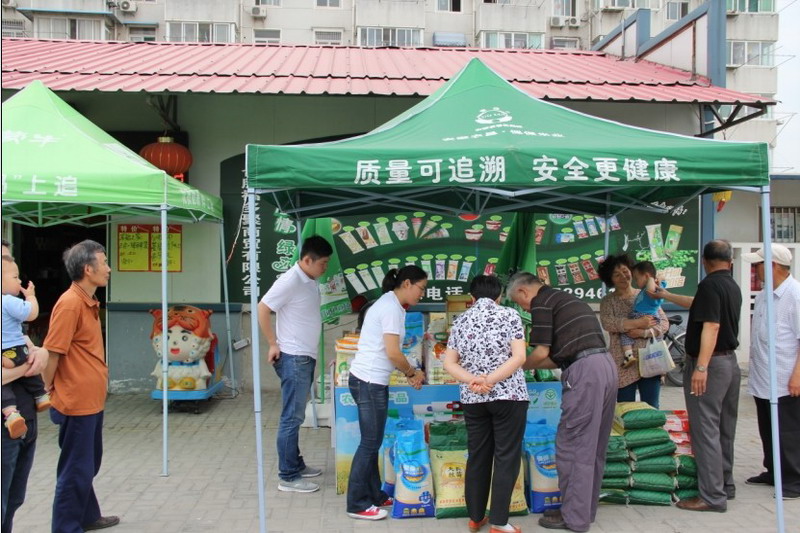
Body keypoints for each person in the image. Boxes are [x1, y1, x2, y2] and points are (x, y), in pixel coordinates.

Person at [507, 272, 616, 532]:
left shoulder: (541, 302)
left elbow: (540, 352)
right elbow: (555, 358)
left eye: (521, 304)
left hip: (585, 373)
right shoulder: (564, 299)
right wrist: (524, 367)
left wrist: (515, 368)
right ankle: (582, 511)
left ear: (523, 292)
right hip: (604, 366)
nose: (526, 310)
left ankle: (574, 518)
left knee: (573, 446)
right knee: (592, 447)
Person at [654, 239, 741, 512]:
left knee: (705, 431)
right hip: (729, 363)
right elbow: (696, 304)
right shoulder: (731, 285)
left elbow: (711, 326)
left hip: (710, 366)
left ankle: (712, 496)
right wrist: (666, 296)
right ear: (730, 262)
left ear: (704, 261)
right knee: (724, 428)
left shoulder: (709, 285)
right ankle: (725, 485)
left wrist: (701, 367)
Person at [42, 239, 119, 532]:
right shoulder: (70, 303)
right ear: (88, 269)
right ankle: (65, 526)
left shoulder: (87, 301)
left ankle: (87, 515)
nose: (108, 268)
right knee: (76, 468)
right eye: (104, 262)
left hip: (90, 399)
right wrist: (46, 390)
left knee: (88, 462)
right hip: (76, 401)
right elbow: (52, 352)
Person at [443, 275, 528, 533]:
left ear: (472, 297)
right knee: (506, 456)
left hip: (474, 398)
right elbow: (519, 357)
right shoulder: (510, 315)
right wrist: (490, 380)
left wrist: (474, 381)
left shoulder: (460, 320)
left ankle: (475, 517)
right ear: (499, 296)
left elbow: (449, 363)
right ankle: (499, 522)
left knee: (478, 455)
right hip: (508, 396)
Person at [346, 265, 426, 521]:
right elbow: (392, 353)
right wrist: (411, 373)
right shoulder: (390, 308)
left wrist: (411, 371)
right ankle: (357, 504)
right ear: (407, 284)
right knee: (369, 443)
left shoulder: (393, 305)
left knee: (373, 441)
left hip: (371, 381)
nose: (422, 294)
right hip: (369, 382)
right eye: (421, 288)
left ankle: (375, 495)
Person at [257, 235, 333, 493]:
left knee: (295, 415)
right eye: (322, 263)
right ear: (307, 260)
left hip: (304, 356)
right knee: (291, 417)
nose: (325, 268)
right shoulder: (290, 280)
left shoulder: (308, 279)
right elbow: (263, 308)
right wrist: (272, 343)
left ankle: (296, 464)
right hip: (294, 357)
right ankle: (288, 476)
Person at [742, 243, 800, 500]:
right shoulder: (765, 294)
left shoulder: (795, 295)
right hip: (763, 375)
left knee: (788, 431)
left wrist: (797, 375)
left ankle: (794, 479)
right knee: (767, 427)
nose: (756, 268)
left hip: (785, 377)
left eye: (759, 264)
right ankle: (773, 470)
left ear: (773, 265)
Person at [1, 239, 48, 533]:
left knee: (14, 498)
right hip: (6, 423)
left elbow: (32, 348)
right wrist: (25, 367)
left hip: (25, 418)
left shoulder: (9, 315)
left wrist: (40, 354)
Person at [598, 254, 669, 408]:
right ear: (610, 279)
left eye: (625, 271)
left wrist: (643, 332)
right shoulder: (608, 301)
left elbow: (664, 323)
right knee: (625, 408)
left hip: (650, 358)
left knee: (651, 406)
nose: (623, 276)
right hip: (623, 362)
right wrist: (638, 323)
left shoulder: (647, 294)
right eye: (617, 275)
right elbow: (608, 323)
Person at [2, 255, 51, 439]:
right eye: (15, 277)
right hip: (17, 350)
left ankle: (11, 414)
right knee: (30, 363)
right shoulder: (8, 301)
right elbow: (31, 314)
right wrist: (30, 297)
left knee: (4, 388)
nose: (19, 281)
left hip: (4, 355)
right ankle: (41, 395)